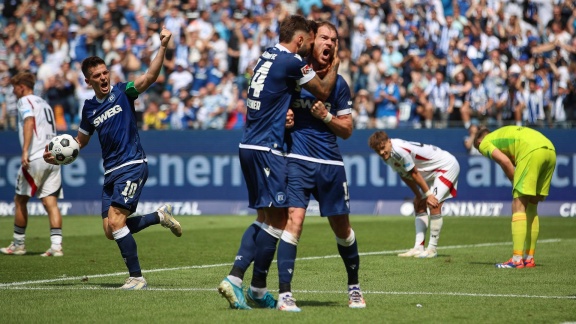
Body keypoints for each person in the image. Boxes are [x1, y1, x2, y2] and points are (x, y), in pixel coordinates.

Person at [43, 27, 182, 290]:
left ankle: (137, 277)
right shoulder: (89, 108)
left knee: (117, 222)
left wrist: (162, 46)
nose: (103, 77)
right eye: (97, 76)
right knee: (110, 230)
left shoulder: (123, 91)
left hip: (132, 165)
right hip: (111, 172)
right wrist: (58, 156)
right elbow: (80, 142)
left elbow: (150, 76)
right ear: (88, 81)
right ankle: (159, 216)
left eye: (105, 72)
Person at [217, 15, 339, 310]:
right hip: (266, 149)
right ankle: (236, 279)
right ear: (299, 40)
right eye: (310, 41)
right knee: (280, 221)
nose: (312, 46)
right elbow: (323, 90)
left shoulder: (266, 55)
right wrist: (334, 64)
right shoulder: (291, 62)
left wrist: (282, 113)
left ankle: (256, 290)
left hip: (249, 143)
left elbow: (273, 95)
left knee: (264, 218)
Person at [271, 21, 365, 312]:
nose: (329, 43)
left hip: (330, 164)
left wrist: (326, 117)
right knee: (293, 221)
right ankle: (284, 295)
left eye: (334, 40)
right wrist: (283, 120)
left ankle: (354, 287)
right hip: (297, 160)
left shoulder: (339, 84)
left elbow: (347, 130)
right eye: (324, 37)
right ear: (312, 41)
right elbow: (273, 108)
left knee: (342, 228)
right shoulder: (295, 74)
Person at [473, 126, 556, 268]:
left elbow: (504, 162)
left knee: (518, 205)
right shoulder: (501, 134)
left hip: (531, 151)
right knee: (532, 206)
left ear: (479, 142)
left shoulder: (484, 142)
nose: (482, 153)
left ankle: (517, 259)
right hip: (550, 150)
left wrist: (514, 182)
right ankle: (529, 258)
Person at [0, 72, 64, 257]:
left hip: (36, 156)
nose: (14, 92)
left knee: (20, 200)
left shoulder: (24, 101)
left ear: (22, 86)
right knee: (50, 202)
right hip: (53, 157)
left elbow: (29, 122)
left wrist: (25, 151)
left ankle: (19, 244)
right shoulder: (45, 103)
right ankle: (56, 246)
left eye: (14, 88)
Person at [368, 131, 460, 258]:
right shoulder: (387, 156)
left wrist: (427, 195)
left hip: (445, 166)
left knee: (433, 203)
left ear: (389, 141)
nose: (382, 153)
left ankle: (432, 249)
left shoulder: (399, 150)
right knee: (419, 204)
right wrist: (418, 195)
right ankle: (418, 247)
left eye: (383, 148)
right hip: (431, 172)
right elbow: (404, 174)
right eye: (378, 151)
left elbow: (414, 173)